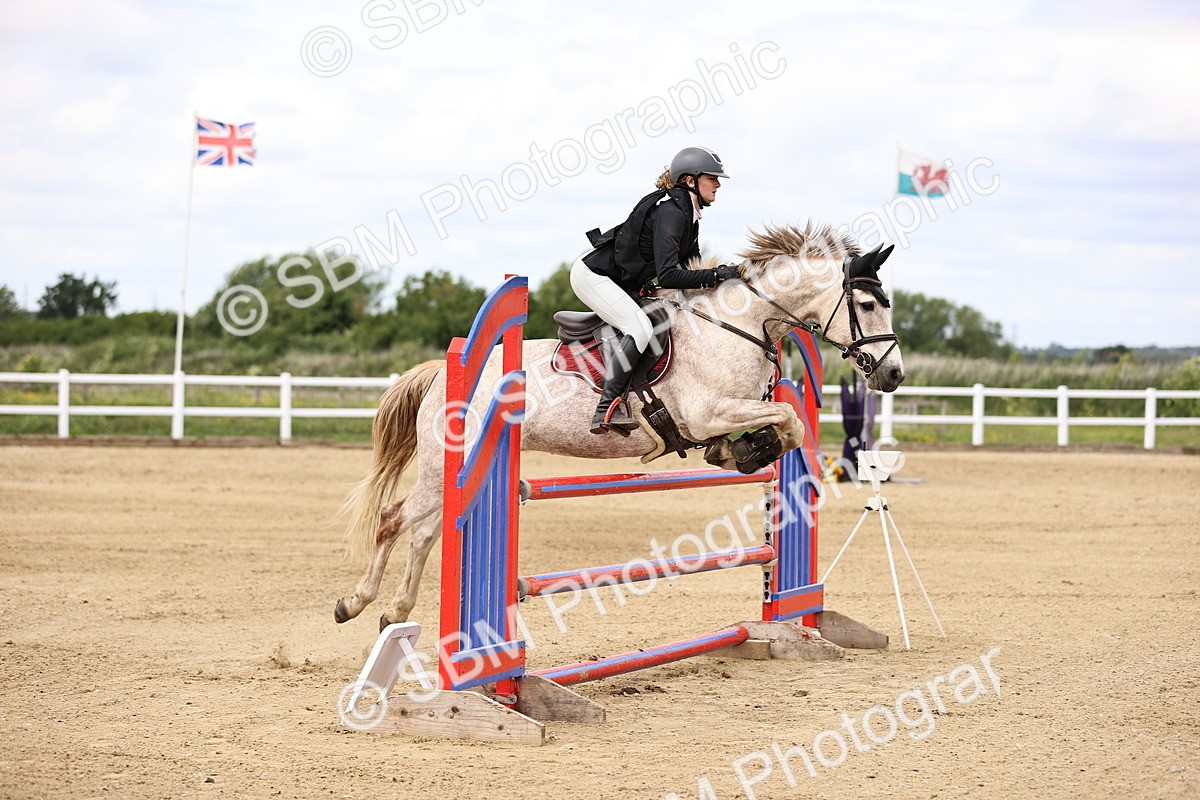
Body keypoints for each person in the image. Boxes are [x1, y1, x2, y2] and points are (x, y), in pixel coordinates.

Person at [571, 146, 741, 434]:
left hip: (621, 280)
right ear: (691, 181)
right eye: (712, 178)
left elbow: (689, 266)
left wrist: (729, 277)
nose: (718, 184)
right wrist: (714, 275)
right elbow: (669, 275)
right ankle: (606, 407)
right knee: (638, 328)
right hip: (594, 276)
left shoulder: (689, 214)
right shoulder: (672, 213)